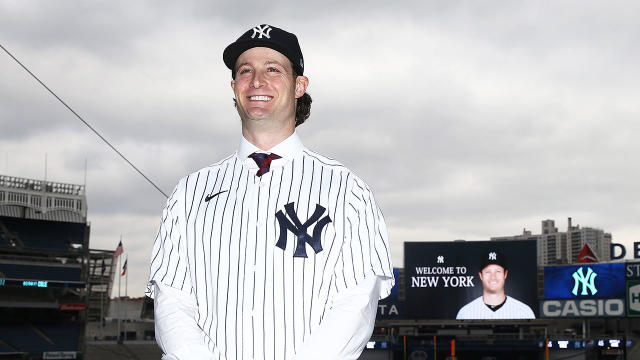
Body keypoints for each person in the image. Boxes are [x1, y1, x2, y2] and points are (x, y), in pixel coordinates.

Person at [146, 24, 394, 360]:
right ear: (234, 87)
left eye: (273, 69)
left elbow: (356, 301)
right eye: (245, 71)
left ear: (299, 86)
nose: (257, 81)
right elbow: (172, 299)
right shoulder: (189, 193)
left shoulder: (347, 190)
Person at [456, 251, 535, 320]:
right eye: (488, 272)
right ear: (481, 276)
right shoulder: (465, 312)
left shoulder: (524, 311)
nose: (493, 277)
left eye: (498, 271)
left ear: (505, 274)